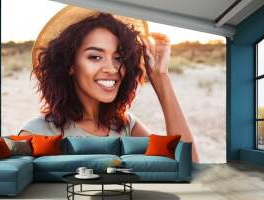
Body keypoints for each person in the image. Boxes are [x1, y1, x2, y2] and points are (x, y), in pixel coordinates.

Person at [18, 6, 199, 162]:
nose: (112, 68)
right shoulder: (38, 132)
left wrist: (161, 77)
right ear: (70, 65)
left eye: (118, 58)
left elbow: (189, 166)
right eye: (95, 57)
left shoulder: (126, 126)